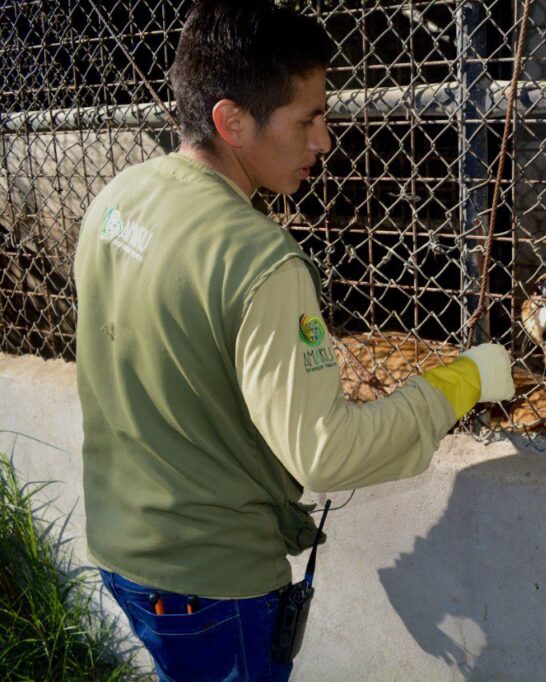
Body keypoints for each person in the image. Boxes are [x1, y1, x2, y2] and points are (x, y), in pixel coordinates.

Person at [73, 1, 513, 679]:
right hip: (214, 583)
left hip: (122, 552)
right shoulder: (260, 261)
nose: (324, 141)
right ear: (231, 121)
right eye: (306, 119)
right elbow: (326, 456)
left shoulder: (116, 200)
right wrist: (461, 381)